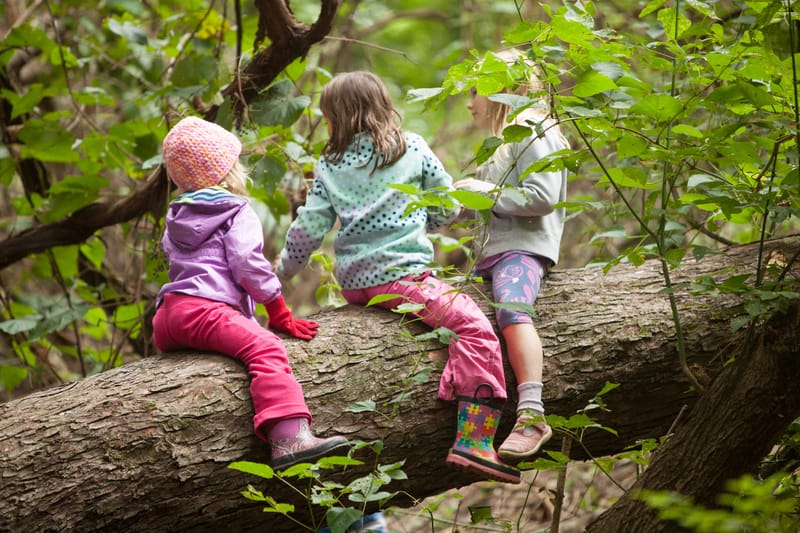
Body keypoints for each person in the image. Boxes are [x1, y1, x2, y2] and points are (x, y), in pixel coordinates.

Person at [275, 71, 521, 484]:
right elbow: (447, 209)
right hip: (405, 277)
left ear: (339, 117)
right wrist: (431, 219)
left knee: (459, 329)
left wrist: (279, 272)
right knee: (474, 328)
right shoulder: (414, 149)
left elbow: (307, 229)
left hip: (356, 286)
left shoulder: (329, 165)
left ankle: (458, 394)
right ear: (381, 107)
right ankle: (475, 441)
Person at [152, 116, 350, 470]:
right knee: (266, 347)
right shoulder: (236, 210)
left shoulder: (176, 214)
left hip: (168, 316)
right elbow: (246, 263)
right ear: (228, 170)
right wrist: (277, 309)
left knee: (240, 336)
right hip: (206, 312)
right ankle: (289, 438)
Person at [454, 49, 569, 462]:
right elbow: (496, 202)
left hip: (521, 253)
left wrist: (482, 193)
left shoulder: (532, 127)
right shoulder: (502, 143)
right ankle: (475, 437)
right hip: (494, 256)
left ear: (500, 89)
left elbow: (542, 197)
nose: (469, 103)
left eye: (474, 91)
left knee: (511, 311)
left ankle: (533, 415)